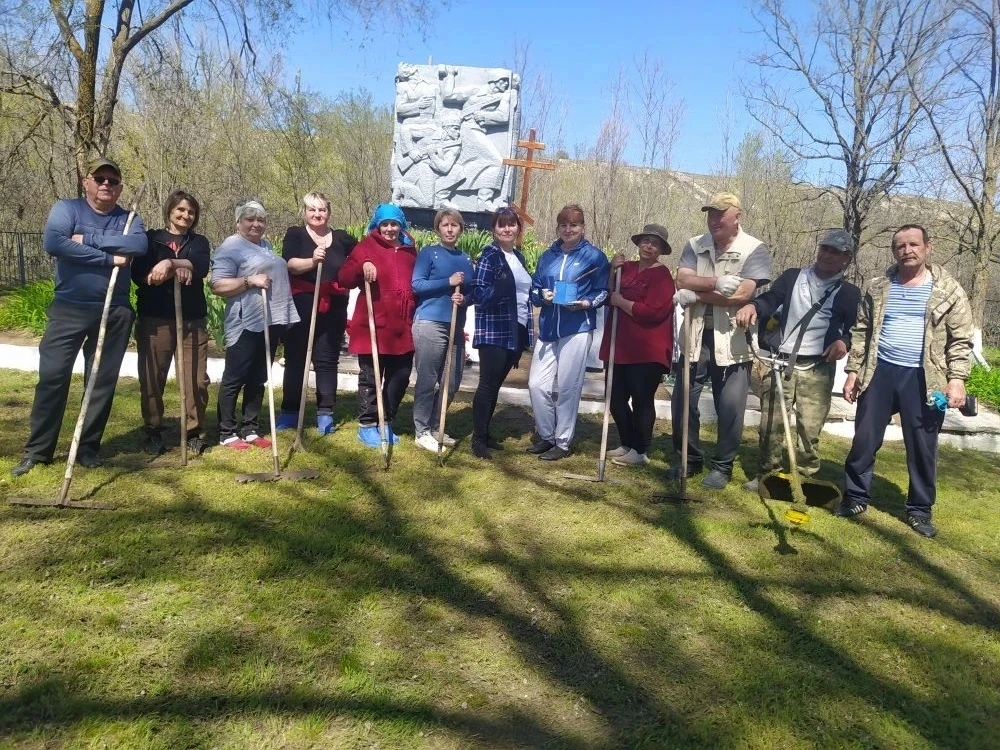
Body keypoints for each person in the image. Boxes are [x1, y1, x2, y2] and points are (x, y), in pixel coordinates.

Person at [12, 157, 147, 477]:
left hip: (113, 311)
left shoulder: (130, 219)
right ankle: (38, 451)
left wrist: (87, 240)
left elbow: (137, 245)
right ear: (86, 181)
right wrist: (109, 258)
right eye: (99, 178)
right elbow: (55, 243)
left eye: (112, 181)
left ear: (120, 188)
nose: (105, 185)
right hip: (69, 308)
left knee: (100, 382)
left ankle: (87, 448)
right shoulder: (67, 209)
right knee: (53, 377)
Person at [836, 224, 973, 538]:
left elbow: (961, 339)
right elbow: (861, 332)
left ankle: (919, 510)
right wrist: (853, 373)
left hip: (926, 378)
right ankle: (855, 496)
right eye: (900, 246)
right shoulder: (878, 286)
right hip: (879, 373)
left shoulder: (948, 289)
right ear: (894, 251)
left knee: (923, 447)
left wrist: (956, 379)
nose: (907, 250)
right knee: (864, 440)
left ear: (928, 247)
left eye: (913, 244)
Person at [734, 229, 861, 490]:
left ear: (846, 258)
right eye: (824, 248)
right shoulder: (793, 277)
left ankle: (804, 479)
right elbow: (772, 299)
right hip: (780, 362)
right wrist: (754, 307)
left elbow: (854, 330)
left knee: (810, 429)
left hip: (818, 367)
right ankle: (768, 477)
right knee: (771, 424)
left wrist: (843, 343)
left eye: (834, 252)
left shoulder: (849, 293)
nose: (827, 255)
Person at [671, 192, 772, 489]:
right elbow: (682, 279)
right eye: (710, 214)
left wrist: (696, 295)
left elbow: (743, 294)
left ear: (736, 217)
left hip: (733, 339)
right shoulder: (694, 245)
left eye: (720, 214)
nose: (713, 220)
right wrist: (715, 283)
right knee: (683, 401)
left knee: (730, 405)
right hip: (694, 333)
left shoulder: (754, 248)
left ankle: (722, 466)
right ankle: (688, 460)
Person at [209, 200, 299, 450]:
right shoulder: (231, 247)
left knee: (258, 377)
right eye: (250, 219)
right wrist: (249, 281)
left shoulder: (266, 246)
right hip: (245, 321)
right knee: (235, 377)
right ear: (239, 222)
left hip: (269, 321)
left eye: (260, 219)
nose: (256, 224)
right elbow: (217, 285)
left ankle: (250, 428)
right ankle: (227, 432)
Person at [131, 189, 212, 457]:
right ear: (170, 211)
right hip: (156, 319)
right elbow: (139, 273)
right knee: (153, 377)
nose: (185, 215)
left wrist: (170, 262)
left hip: (192, 320)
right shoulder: (150, 239)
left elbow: (200, 266)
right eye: (181, 210)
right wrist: (167, 270)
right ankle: (153, 430)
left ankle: (192, 432)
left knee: (196, 379)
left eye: (191, 212)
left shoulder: (198, 241)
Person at [527, 204, 610, 461]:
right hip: (550, 326)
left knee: (567, 386)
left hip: (577, 327)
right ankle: (547, 434)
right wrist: (543, 295)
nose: (568, 230)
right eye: (563, 225)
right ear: (557, 227)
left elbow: (603, 291)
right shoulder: (547, 256)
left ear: (583, 228)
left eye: (574, 225)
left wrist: (586, 303)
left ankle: (562, 442)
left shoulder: (594, 257)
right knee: (536, 384)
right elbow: (534, 289)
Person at [338, 203, 418, 447]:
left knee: (401, 375)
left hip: (402, 326)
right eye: (385, 224)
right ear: (377, 225)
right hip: (373, 324)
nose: (390, 229)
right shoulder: (366, 247)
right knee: (371, 377)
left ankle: (387, 419)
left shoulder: (409, 250)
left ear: (401, 225)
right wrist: (361, 266)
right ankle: (368, 425)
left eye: (394, 223)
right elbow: (344, 278)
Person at [277, 192, 358, 435]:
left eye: (322, 210)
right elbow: (289, 264)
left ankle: (325, 411)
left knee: (327, 359)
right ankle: (290, 411)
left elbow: (361, 255)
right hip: (302, 303)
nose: (317, 214)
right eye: (312, 210)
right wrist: (312, 261)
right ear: (304, 212)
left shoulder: (342, 238)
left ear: (329, 213)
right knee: (296, 359)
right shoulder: (295, 234)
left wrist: (364, 265)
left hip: (333, 306)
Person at [601, 224, 676, 467]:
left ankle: (640, 450)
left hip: (646, 350)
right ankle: (627, 442)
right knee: (615, 398)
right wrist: (612, 270)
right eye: (645, 241)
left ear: (661, 249)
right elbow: (608, 293)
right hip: (618, 346)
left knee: (642, 399)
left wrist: (621, 302)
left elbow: (653, 312)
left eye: (654, 243)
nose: (648, 246)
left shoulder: (662, 276)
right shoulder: (627, 268)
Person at [467, 206, 533, 460]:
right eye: (501, 225)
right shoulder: (490, 257)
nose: (507, 229)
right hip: (494, 329)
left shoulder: (519, 257)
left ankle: (486, 433)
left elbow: (525, 296)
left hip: (516, 329)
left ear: (518, 228)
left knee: (495, 385)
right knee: (487, 384)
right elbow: (479, 295)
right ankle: (478, 440)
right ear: (494, 230)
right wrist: (500, 288)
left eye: (511, 224)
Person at [410, 208, 474, 452]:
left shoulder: (466, 259)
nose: (449, 229)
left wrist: (465, 299)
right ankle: (422, 430)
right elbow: (417, 285)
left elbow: (471, 291)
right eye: (445, 225)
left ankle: (437, 425)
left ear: (460, 229)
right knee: (428, 378)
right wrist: (447, 282)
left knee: (453, 379)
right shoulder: (429, 254)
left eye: (454, 225)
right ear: (438, 228)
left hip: (456, 325)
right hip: (430, 323)